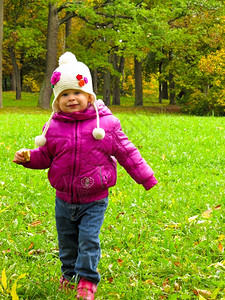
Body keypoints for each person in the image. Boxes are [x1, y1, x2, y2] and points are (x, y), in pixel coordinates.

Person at [13, 52, 158, 300]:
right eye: (64, 95)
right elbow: (46, 156)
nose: (71, 98)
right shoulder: (54, 126)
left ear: (89, 95)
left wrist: (145, 177)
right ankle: (69, 276)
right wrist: (29, 158)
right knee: (68, 243)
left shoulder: (107, 125)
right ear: (57, 100)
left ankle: (88, 280)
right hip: (64, 199)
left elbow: (127, 152)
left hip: (94, 199)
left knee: (88, 241)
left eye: (77, 93)